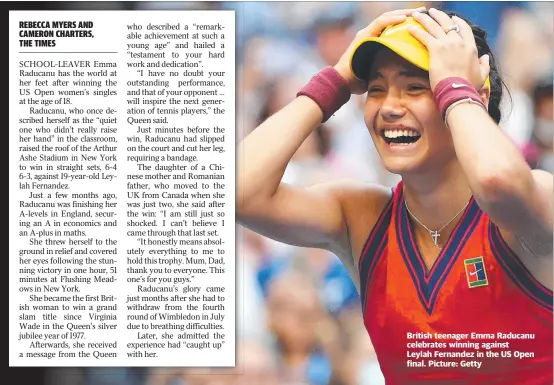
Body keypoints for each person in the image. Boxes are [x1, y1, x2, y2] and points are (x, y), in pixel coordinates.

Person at [236, 6, 553, 384]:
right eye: (376, 89)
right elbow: (239, 194)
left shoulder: (535, 198)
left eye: (417, 86)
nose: (388, 107)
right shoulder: (362, 217)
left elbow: (497, 181)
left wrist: (459, 90)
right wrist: (334, 81)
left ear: (468, 94)